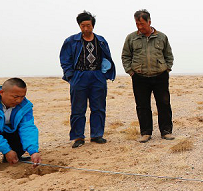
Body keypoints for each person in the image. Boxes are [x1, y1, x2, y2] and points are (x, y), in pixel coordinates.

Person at [60, 11, 116, 148]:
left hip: (97, 76)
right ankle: (78, 137)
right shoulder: (71, 41)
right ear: (79, 26)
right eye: (83, 25)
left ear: (93, 26)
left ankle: (97, 135)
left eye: (88, 25)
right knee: (78, 108)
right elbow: (65, 60)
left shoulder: (101, 40)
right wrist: (71, 76)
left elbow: (107, 57)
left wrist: (104, 74)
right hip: (79, 76)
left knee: (98, 107)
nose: (85, 28)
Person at [121, 9, 174, 143]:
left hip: (160, 76)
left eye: (142, 23)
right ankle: (145, 133)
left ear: (149, 22)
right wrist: (131, 72)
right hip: (139, 77)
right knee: (142, 105)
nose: (139, 26)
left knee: (164, 104)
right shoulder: (131, 38)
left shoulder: (161, 37)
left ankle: (166, 131)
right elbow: (126, 56)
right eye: (137, 23)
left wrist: (166, 69)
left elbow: (168, 55)